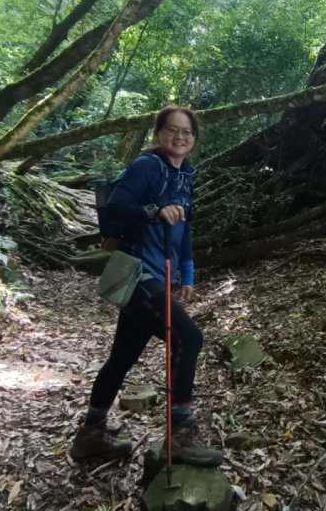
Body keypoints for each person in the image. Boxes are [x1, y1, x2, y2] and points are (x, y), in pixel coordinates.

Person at [70, 105, 223, 467]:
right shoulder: (146, 167)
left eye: (187, 132)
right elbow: (117, 207)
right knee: (188, 338)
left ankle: (89, 435)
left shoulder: (185, 175)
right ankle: (180, 434)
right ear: (158, 134)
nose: (180, 136)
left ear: (194, 139)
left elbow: (184, 231)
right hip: (136, 273)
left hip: (160, 275)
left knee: (122, 357)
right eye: (173, 129)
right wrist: (154, 210)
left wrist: (187, 274)